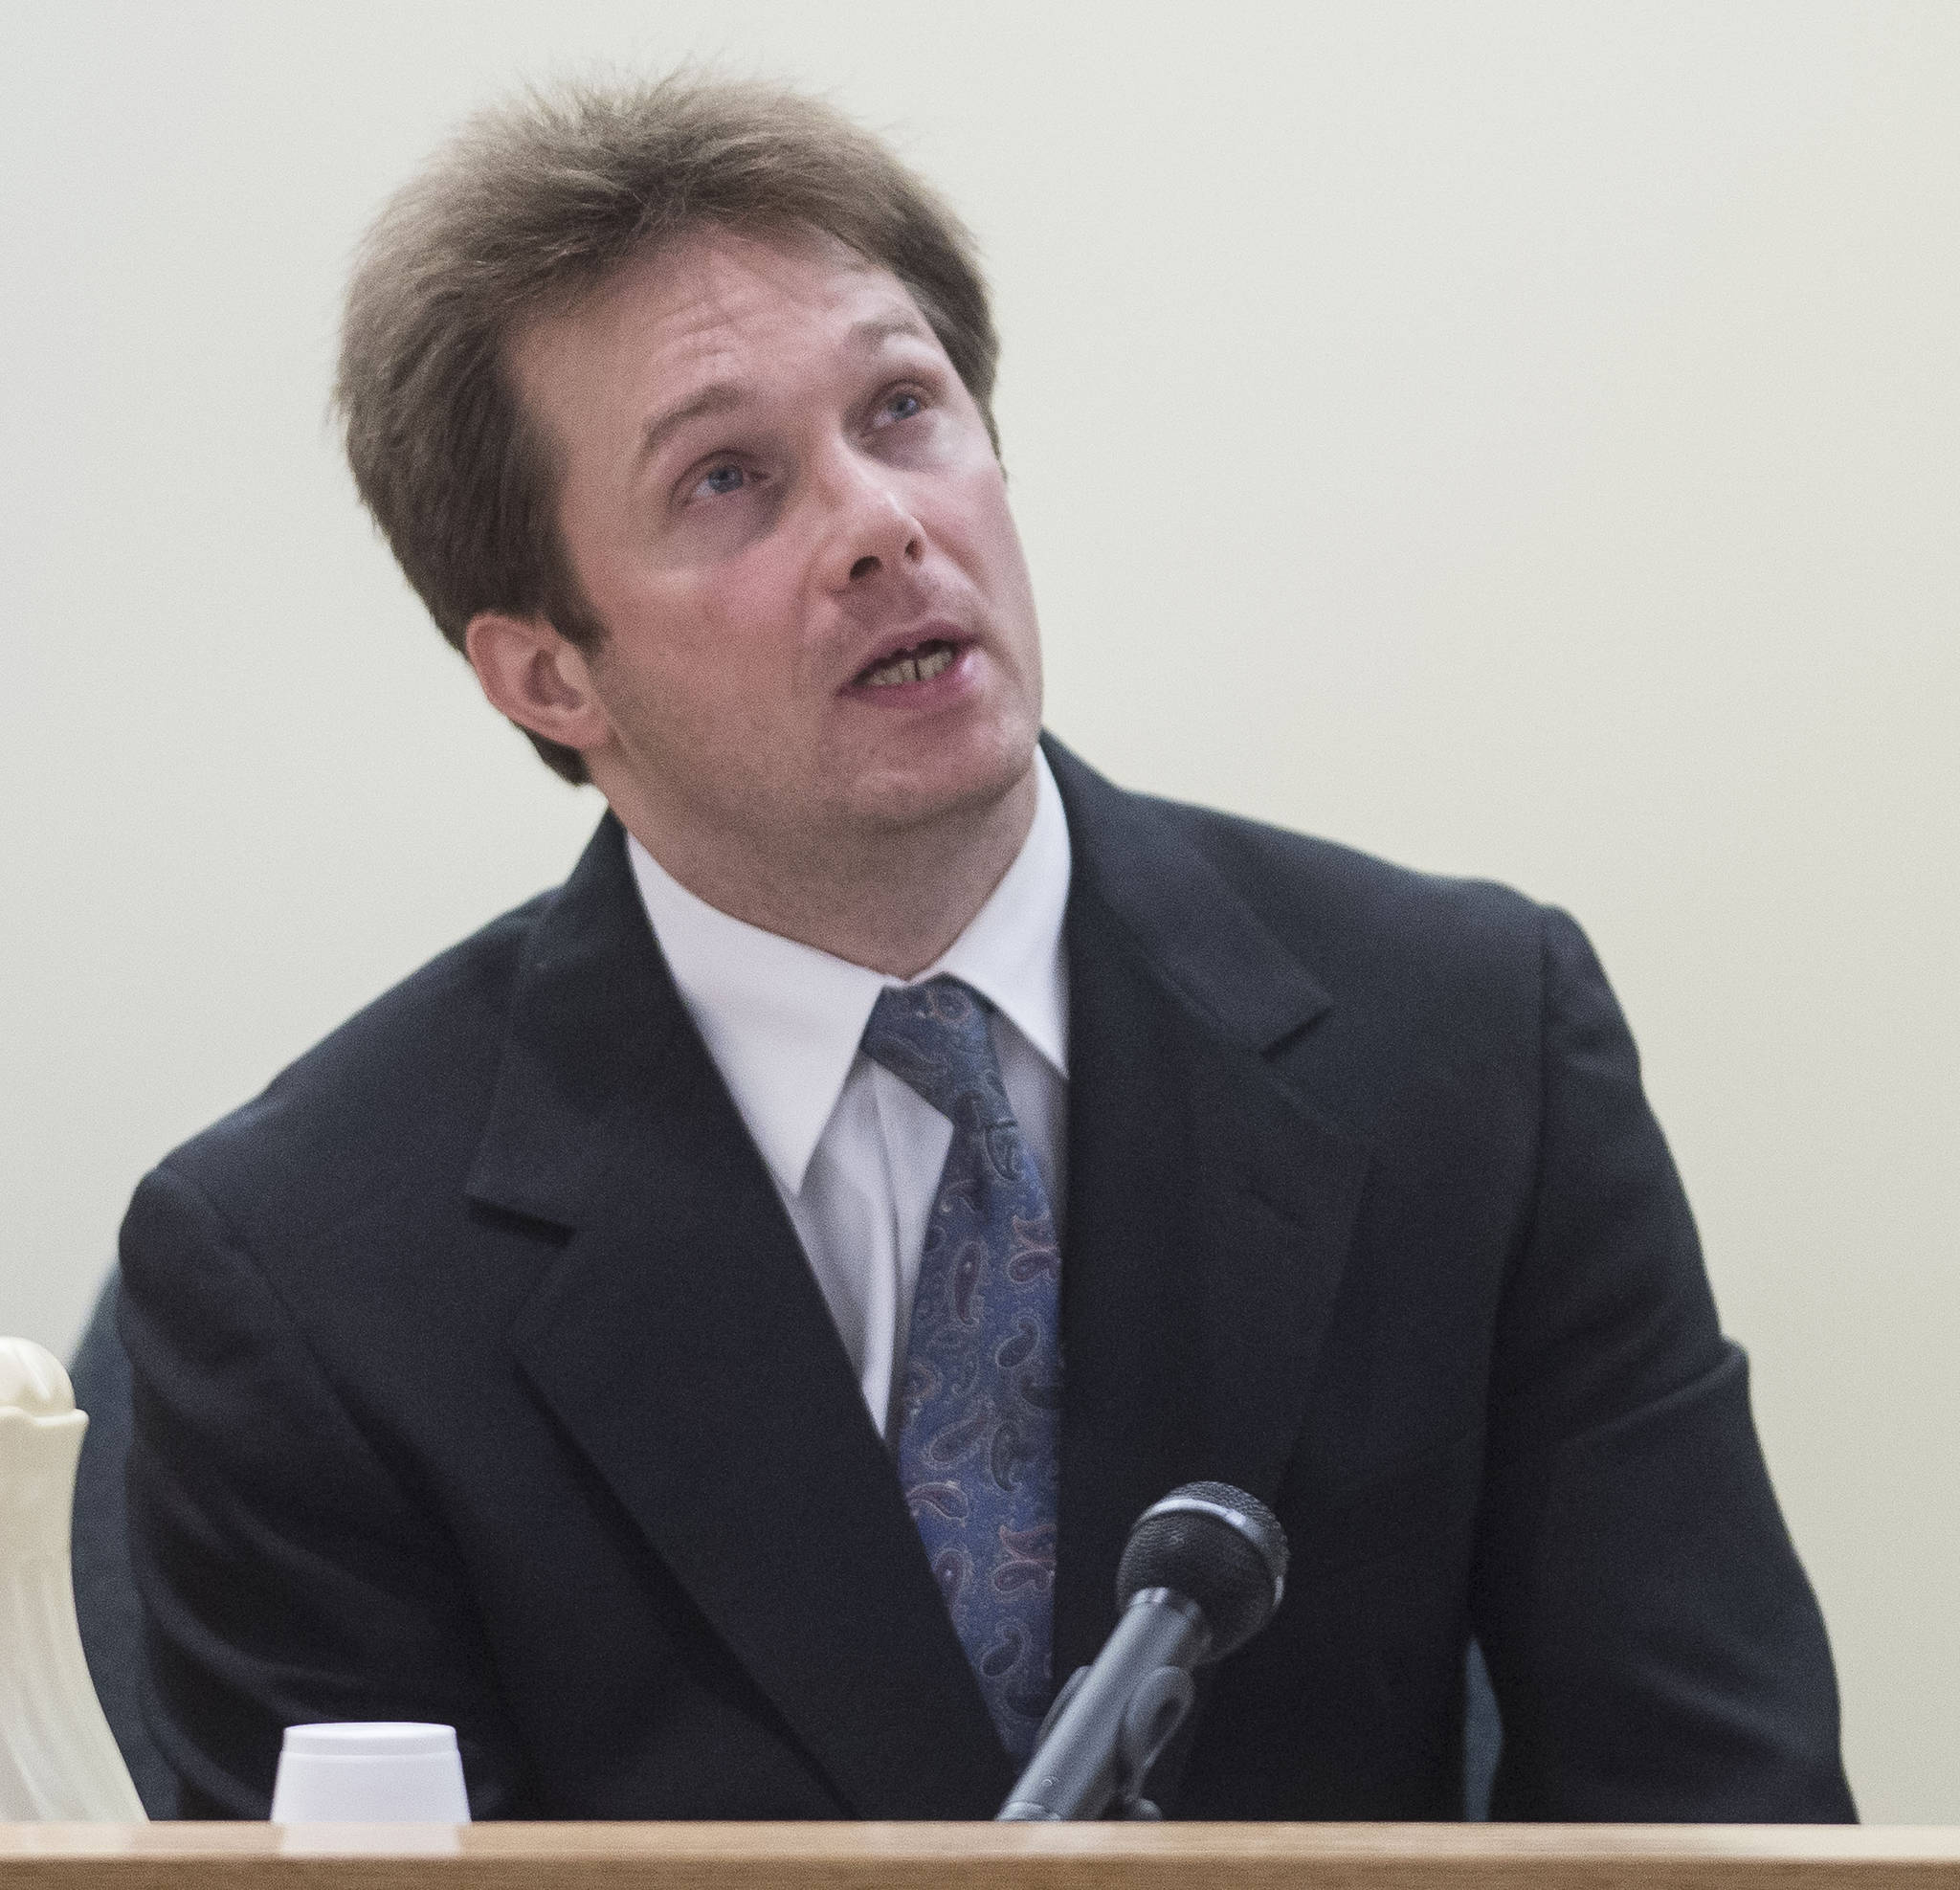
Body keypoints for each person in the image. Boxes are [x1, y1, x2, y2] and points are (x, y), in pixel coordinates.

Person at [118, 76, 1856, 1822]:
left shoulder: (1471, 1049)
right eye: (728, 478)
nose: (882, 521)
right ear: (547, 675)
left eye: (903, 408)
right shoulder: (311, 1278)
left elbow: (1722, 1818)